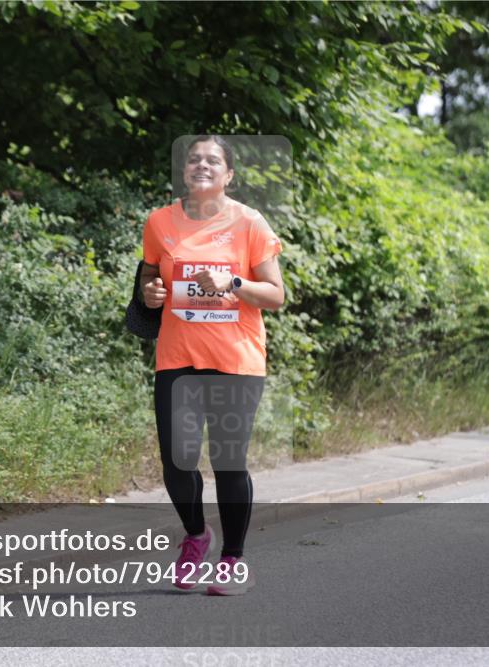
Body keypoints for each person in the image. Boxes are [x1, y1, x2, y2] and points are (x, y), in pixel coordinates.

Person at [139, 135, 285, 596]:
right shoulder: (160, 221)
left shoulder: (249, 223)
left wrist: (234, 280)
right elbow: (148, 273)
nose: (201, 165)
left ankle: (233, 561)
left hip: (235, 360)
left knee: (228, 463)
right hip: (177, 358)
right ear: (185, 171)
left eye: (213, 160)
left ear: (228, 175)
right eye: (194, 159)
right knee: (176, 461)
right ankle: (198, 534)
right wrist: (151, 292)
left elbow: (276, 296)